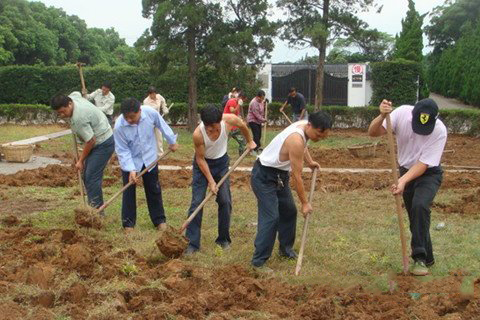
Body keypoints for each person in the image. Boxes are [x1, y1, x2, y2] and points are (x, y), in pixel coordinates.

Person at [368, 98, 447, 276]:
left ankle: (419, 257)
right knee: (415, 216)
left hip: (428, 173)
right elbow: (372, 132)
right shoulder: (401, 113)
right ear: (413, 114)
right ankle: (429, 257)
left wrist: (402, 181)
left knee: (420, 205)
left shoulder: (440, 130)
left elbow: (423, 164)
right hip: (405, 169)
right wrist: (381, 116)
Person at [251, 111, 332, 270]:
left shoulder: (304, 127)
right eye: (318, 134)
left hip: (279, 176)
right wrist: (305, 203)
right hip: (264, 177)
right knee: (271, 218)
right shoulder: (296, 140)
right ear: (310, 125)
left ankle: (285, 250)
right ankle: (258, 262)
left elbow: (304, 145)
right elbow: (297, 177)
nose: (319, 138)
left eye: (323, 136)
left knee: (289, 211)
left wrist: (310, 162)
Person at [185, 105, 256, 254]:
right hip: (203, 165)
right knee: (197, 202)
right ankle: (192, 243)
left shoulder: (229, 120)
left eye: (216, 128)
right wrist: (211, 181)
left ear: (220, 121)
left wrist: (250, 141)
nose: (214, 131)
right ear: (204, 124)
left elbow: (242, 125)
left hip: (222, 163)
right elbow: (200, 159)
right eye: (210, 129)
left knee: (225, 201)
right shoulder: (198, 134)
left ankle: (223, 239)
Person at [113, 98, 179, 233]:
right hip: (131, 161)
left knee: (153, 189)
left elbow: (162, 124)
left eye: (132, 117)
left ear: (140, 111)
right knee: (129, 192)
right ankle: (128, 224)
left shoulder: (150, 113)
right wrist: (131, 170)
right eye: (127, 117)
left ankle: (159, 220)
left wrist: (171, 140)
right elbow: (122, 150)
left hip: (149, 159)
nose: (129, 120)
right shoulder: (119, 126)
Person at [50, 92, 114, 211]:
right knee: (87, 176)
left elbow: (91, 141)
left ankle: (96, 212)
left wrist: (80, 160)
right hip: (98, 139)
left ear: (69, 104)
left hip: (103, 143)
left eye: (63, 111)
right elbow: (77, 92)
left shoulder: (79, 118)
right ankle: (92, 206)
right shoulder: (73, 98)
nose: (62, 115)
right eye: (59, 113)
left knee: (91, 177)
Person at [143, 86, 169, 157]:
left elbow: (163, 101)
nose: (153, 96)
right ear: (149, 94)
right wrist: (151, 122)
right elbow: (147, 112)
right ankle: (149, 153)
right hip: (149, 121)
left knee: (159, 136)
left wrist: (164, 108)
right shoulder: (146, 101)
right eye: (151, 94)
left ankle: (160, 154)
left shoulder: (159, 97)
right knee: (149, 137)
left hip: (158, 119)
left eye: (154, 94)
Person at [223, 92, 247, 156]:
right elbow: (232, 111)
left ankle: (242, 155)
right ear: (241, 98)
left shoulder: (237, 103)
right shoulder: (232, 101)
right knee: (223, 142)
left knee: (243, 140)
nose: (243, 102)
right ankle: (222, 155)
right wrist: (238, 105)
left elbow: (236, 114)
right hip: (227, 126)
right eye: (243, 100)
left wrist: (240, 119)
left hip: (235, 127)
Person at [247, 90, 267, 155]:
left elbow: (262, 105)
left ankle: (255, 148)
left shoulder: (261, 101)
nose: (262, 100)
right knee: (256, 135)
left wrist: (265, 102)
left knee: (259, 135)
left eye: (263, 98)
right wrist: (263, 119)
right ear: (257, 97)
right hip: (252, 120)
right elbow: (256, 114)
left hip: (258, 121)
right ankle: (256, 149)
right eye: (261, 98)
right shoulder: (254, 103)